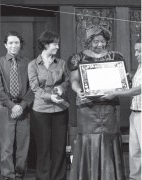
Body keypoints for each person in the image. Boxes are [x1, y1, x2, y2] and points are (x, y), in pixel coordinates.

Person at [68, 26, 126, 180]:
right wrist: (79, 90)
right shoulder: (78, 58)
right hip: (87, 108)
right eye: (96, 41)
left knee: (109, 138)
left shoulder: (116, 56)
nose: (100, 45)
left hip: (109, 107)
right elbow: (74, 80)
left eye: (103, 41)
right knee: (88, 140)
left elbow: (121, 80)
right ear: (88, 41)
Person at [0, 31, 34, 180]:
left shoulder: (29, 63)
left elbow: (32, 88)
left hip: (23, 109)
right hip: (5, 109)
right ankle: (8, 176)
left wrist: (21, 106)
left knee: (23, 146)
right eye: (10, 43)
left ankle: (19, 175)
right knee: (6, 146)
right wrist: (11, 105)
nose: (14, 46)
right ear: (5, 45)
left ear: (20, 44)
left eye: (16, 43)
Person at [28, 31, 69, 180]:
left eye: (57, 44)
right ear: (45, 45)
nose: (57, 47)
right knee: (43, 148)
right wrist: (49, 96)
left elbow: (67, 81)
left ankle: (59, 177)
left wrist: (61, 88)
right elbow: (35, 88)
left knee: (59, 148)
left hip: (60, 109)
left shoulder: (61, 63)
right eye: (55, 44)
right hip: (41, 111)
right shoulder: (33, 65)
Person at [102, 38, 141, 180]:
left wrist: (115, 93)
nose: (136, 54)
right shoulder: (139, 67)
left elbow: (138, 90)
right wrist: (128, 78)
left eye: (139, 51)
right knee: (134, 152)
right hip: (135, 113)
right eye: (136, 50)